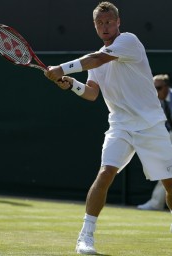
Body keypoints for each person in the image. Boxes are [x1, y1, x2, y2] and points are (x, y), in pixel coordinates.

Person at [44, 2, 172, 255]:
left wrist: (61, 68)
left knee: (170, 184)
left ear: (118, 22)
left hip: (151, 124)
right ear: (95, 26)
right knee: (105, 173)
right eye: (100, 23)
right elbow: (92, 94)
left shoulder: (129, 41)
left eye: (109, 22)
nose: (105, 27)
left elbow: (97, 58)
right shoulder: (96, 60)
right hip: (120, 126)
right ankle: (85, 237)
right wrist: (72, 85)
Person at [137, 74, 172, 211]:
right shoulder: (153, 102)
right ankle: (156, 203)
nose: (155, 92)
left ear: (166, 87)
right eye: (153, 89)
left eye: (158, 88)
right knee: (166, 171)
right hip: (167, 136)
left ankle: (156, 203)